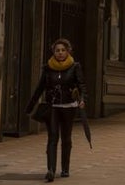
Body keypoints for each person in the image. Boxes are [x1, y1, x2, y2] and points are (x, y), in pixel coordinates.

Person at [26, 38, 86, 182]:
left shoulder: (75, 66)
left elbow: (82, 85)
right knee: (52, 137)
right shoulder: (47, 68)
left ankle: (65, 168)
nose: (60, 53)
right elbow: (40, 88)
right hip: (52, 107)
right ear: (53, 52)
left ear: (68, 51)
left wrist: (82, 99)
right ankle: (51, 170)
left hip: (69, 107)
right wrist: (30, 107)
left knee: (66, 138)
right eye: (57, 50)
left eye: (63, 50)